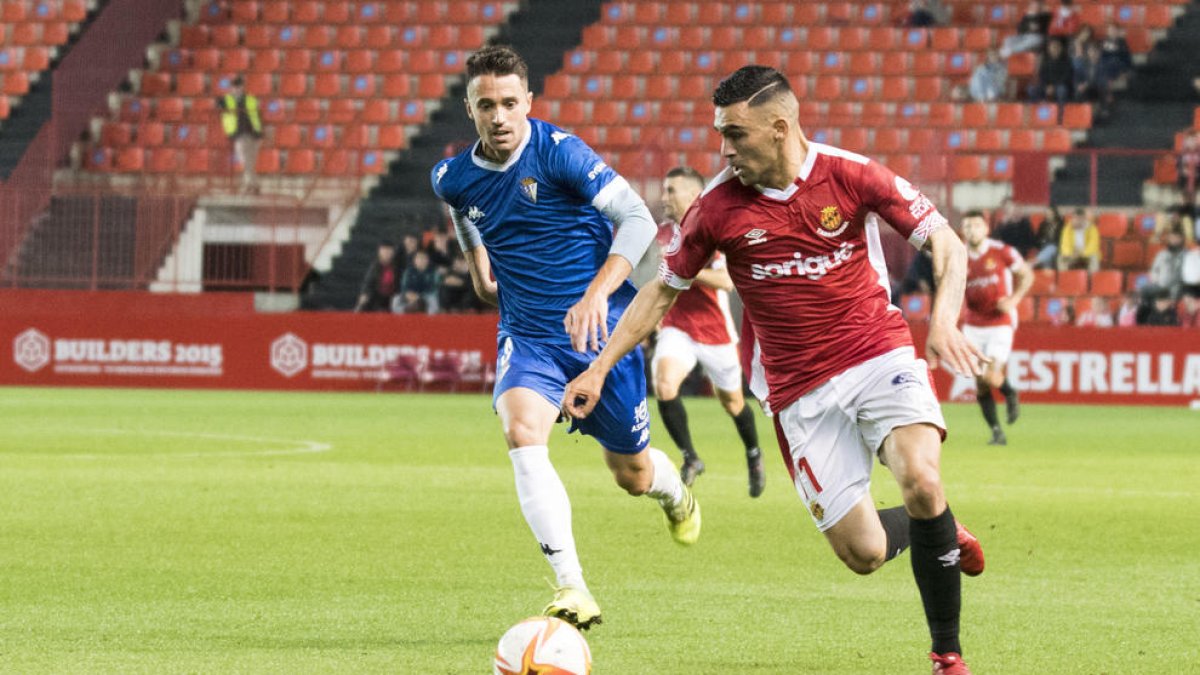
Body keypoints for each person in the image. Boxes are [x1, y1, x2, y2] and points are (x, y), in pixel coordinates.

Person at [564, 66, 986, 674]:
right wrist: (599, 368)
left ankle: (947, 655)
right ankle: (940, 530)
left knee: (919, 476)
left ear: (780, 128)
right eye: (720, 135)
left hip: (876, 354)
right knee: (864, 552)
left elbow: (947, 242)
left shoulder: (851, 175)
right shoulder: (714, 210)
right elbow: (659, 293)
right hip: (797, 392)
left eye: (735, 134)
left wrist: (943, 321)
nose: (724, 148)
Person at [430, 46, 696, 630]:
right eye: (485, 106)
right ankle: (573, 587)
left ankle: (674, 491)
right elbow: (462, 208)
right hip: (527, 337)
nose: (498, 116)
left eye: (508, 103)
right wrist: (478, 262)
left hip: (602, 340)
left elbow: (638, 220)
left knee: (632, 475)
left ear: (528, 102)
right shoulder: (450, 176)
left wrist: (599, 291)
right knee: (522, 432)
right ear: (469, 109)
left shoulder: (560, 154)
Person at [652, 166, 766, 497]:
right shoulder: (662, 233)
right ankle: (690, 458)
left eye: (671, 190)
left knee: (732, 401)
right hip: (677, 326)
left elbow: (725, 282)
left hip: (714, 331)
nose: (664, 197)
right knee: (664, 382)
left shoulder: (710, 230)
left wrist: (684, 269)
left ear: (692, 195)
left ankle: (754, 454)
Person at [960, 211, 1034, 446]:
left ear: (986, 229)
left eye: (976, 226)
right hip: (973, 324)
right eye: (967, 227)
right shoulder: (959, 255)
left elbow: (1027, 274)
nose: (972, 230)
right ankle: (996, 432)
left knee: (990, 374)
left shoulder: (1002, 251)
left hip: (1000, 322)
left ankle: (1010, 392)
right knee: (980, 382)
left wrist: (1014, 300)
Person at [217, 76, 263, 194]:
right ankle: (251, 185)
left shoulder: (251, 99)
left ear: (242, 87)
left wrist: (260, 133)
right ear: (231, 88)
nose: (237, 89)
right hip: (238, 133)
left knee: (250, 162)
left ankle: (253, 185)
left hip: (254, 133)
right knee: (245, 160)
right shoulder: (226, 99)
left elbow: (258, 116)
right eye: (235, 86)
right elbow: (218, 104)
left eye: (239, 86)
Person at [354, 240, 403, 312]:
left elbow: (399, 284)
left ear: (393, 253)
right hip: (377, 295)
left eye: (389, 251)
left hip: (391, 297)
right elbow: (368, 282)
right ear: (379, 252)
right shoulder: (375, 266)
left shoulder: (397, 266)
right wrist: (364, 293)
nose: (387, 254)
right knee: (362, 304)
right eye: (384, 251)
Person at [1057, 207, 1100, 273]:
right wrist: (1069, 253)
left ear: (1084, 218)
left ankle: (1090, 279)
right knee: (1061, 258)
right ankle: (1064, 278)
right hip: (1073, 252)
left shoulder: (1092, 228)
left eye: (1079, 218)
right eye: (1075, 218)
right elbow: (1065, 244)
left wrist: (1082, 253)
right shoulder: (1068, 228)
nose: (1077, 220)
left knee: (1094, 259)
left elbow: (1093, 245)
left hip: (1086, 252)